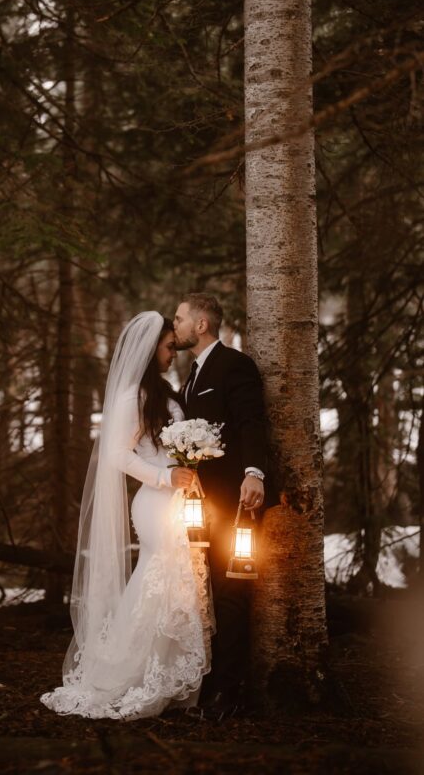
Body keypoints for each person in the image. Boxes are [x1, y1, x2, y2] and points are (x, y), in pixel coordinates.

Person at [41, 311, 214, 720]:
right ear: (151, 346)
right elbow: (117, 455)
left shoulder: (161, 393)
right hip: (156, 502)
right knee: (162, 578)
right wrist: (164, 476)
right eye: (170, 347)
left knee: (178, 584)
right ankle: (140, 676)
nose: (174, 354)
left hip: (177, 499)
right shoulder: (130, 397)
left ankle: (168, 675)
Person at [174, 292, 271, 720]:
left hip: (234, 499)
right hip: (200, 505)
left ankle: (229, 693)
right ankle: (211, 682)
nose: (172, 325)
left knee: (232, 590)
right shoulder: (190, 375)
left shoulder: (235, 364)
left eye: (178, 319)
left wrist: (254, 473)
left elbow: (252, 421)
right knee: (208, 592)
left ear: (201, 324)